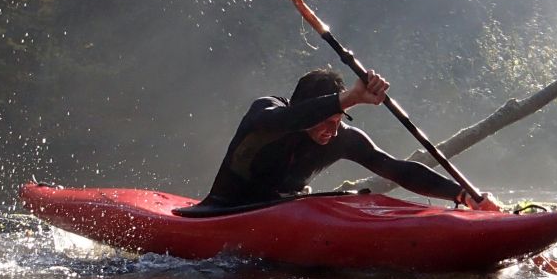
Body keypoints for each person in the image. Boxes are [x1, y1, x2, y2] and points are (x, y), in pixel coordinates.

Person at [199, 68, 500, 211]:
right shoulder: (266, 113)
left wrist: (464, 196)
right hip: (222, 210)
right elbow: (289, 119)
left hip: (283, 211)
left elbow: (395, 168)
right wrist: (349, 98)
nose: (330, 130)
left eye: (336, 121)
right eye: (324, 120)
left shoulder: (341, 138)